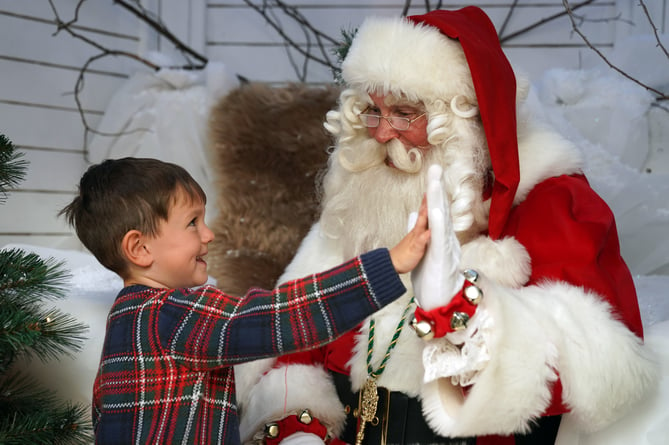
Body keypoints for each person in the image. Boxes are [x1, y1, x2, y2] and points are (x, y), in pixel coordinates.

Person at [235, 6, 659, 445]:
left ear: (462, 120)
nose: (380, 134)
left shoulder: (551, 203)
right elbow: (295, 331)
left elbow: (590, 368)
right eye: (372, 111)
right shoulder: (363, 199)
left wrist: (460, 308)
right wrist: (296, 429)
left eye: (403, 112)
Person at [58, 156, 431, 445]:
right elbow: (271, 320)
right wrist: (388, 266)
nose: (209, 234)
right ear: (139, 248)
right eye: (192, 223)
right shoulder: (169, 314)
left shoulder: (129, 316)